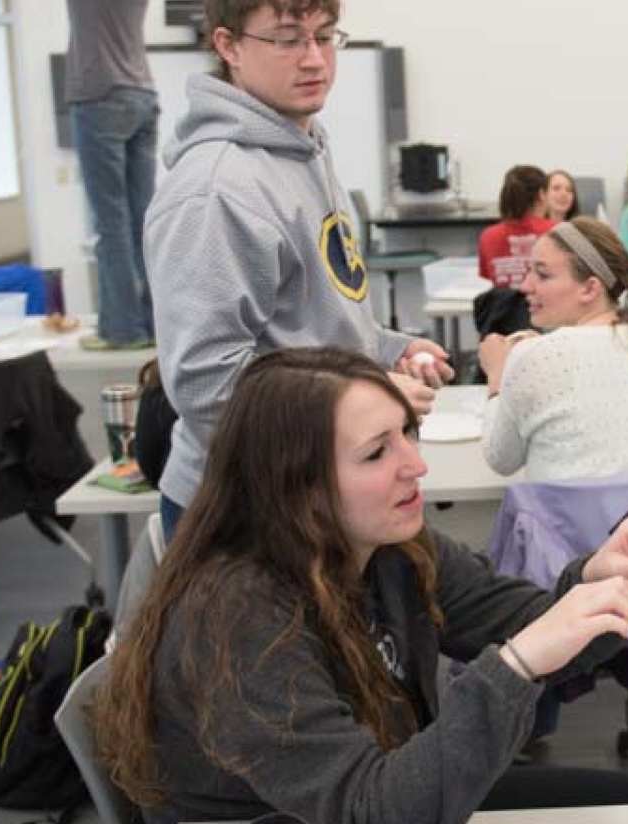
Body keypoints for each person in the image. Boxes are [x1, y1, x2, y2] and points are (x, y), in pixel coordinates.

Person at [91, 347, 628, 824]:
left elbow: (539, 630)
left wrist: (599, 581)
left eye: (407, 435)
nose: (415, 466)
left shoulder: (391, 550)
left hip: (390, 792)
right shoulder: (236, 617)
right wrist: (516, 666)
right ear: (298, 487)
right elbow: (375, 812)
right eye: (376, 452)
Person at [146, 0, 452, 539]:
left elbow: (312, 320)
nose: (314, 59)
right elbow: (205, 386)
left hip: (314, 489)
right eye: (287, 40)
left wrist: (386, 349)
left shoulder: (303, 149)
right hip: (247, 512)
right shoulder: (216, 189)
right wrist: (372, 400)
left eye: (325, 36)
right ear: (228, 45)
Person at [479, 217, 628, 481]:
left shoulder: (532, 356)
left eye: (542, 274)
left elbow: (501, 460)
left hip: (559, 522)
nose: (525, 285)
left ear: (590, 288)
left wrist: (498, 376)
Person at [66, 0, 159, 351]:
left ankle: (122, 329)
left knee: (111, 222)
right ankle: (152, 325)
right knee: (141, 222)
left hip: (100, 94)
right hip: (143, 94)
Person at [477, 165, 556, 288]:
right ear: (541, 194)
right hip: (548, 306)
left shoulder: (488, 236)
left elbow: (489, 278)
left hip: (505, 306)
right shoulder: (559, 232)